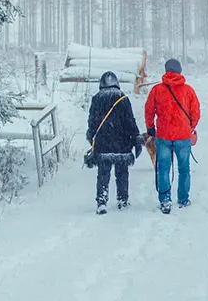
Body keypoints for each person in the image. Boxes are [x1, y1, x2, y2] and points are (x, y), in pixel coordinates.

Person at [143, 57, 201, 214]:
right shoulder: (188, 90)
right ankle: (183, 199)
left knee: (163, 169)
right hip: (183, 136)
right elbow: (195, 111)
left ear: (166, 70)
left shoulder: (157, 90)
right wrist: (191, 126)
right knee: (184, 169)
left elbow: (149, 110)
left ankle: (165, 200)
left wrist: (150, 128)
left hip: (164, 136)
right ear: (180, 71)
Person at [86, 71, 143, 214]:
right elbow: (130, 121)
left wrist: (92, 138)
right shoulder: (122, 98)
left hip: (103, 144)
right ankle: (122, 200)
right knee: (122, 173)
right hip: (122, 143)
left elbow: (92, 123)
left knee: (103, 174)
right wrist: (136, 138)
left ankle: (101, 201)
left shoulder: (96, 99)